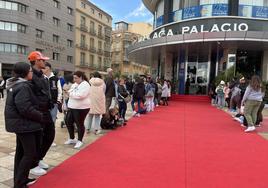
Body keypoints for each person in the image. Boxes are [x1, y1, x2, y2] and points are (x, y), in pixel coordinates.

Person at [5, 62, 44, 188]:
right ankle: (20, 182)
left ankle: (20, 180)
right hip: (24, 124)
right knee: (29, 154)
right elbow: (25, 108)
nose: (32, 73)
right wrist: (39, 115)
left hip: (21, 124)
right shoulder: (22, 86)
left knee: (22, 153)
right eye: (30, 71)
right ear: (25, 73)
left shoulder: (17, 84)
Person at [28, 51, 54, 176]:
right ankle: (33, 164)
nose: (44, 62)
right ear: (37, 61)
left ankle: (39, 158)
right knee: (37, 139)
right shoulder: (31, 75)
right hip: (37, 111)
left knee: (50, 135)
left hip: (45, 110)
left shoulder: (41, 75)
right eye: (42, 60)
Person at [65, 71, 90, 149]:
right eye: (74, 78)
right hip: (72, 106)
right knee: (68, 121)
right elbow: (70, 91)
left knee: (79, 123)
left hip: (81, 108)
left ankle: (80, 140)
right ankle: (72, 138)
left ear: (81, 77)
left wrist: (70, 94)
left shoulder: (86, 84)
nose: (74, 79)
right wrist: (69, 93)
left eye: (76, 78)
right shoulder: (75, 84)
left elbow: (81, 95)